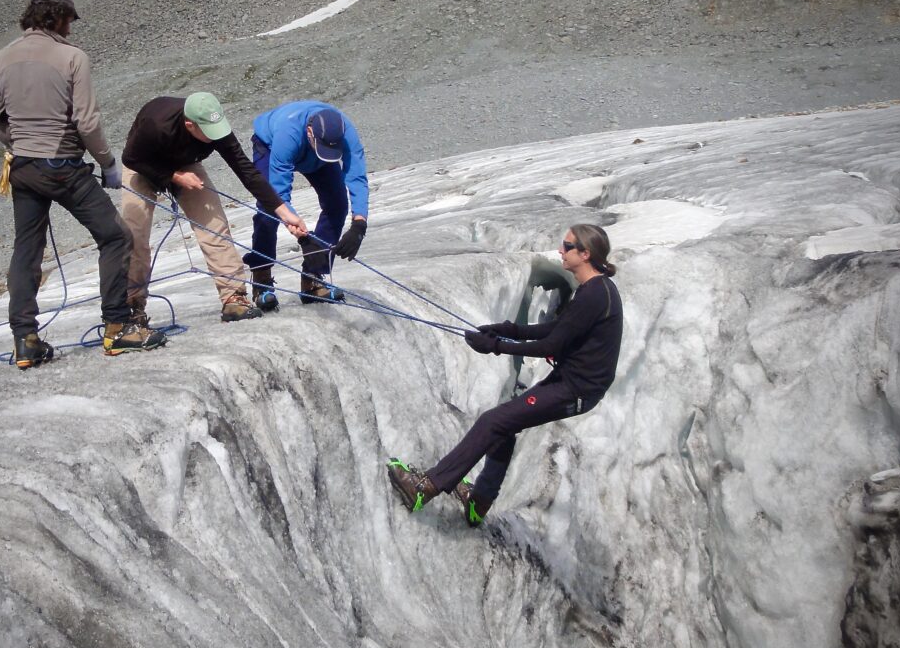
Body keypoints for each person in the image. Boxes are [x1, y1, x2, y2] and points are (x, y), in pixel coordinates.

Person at [387, 224, 623, 526]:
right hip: (572, 383)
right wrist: (508, 330)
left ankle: (425, 488)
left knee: (493, 421)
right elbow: (559, 330)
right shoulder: (595, 289)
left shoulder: (594, 295)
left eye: (566, 246)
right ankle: (479, 503)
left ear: (585, 253)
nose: (560, 251)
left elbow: (552, 344)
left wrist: (496, 346)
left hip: (575, 390)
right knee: (503, 426)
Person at [0, 0, 165, 369]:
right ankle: (118, 327)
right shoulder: (72, 58)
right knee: (115, 237)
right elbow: (86, 121)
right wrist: (108, 163)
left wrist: (21, 142)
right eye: (69, 20)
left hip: (23, 168)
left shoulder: (1, 58)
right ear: (59, 17)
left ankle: (25, 340)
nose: (71, 27)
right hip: (63, 166)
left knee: (27, 250)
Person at [120, 93, 307, 323]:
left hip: (186, 164)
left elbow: (246, 170)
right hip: (143, 164)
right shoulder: (156, 125)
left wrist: (285, 213)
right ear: (190, 125)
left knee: (215, 224)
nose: (215, 135)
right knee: (134, 235)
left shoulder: (217, 128)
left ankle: (233, 298)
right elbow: (130, 158)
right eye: (208, 131)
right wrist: (174, 176)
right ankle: (131, 306)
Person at [243, 100, 370, 307]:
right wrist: (301, 235)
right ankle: (261, 279)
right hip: (269, 144)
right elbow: (278, 193)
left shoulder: (346, 134)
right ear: (310, 132)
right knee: (268, 209)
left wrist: (359, 224)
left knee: (337, 204)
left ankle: (313, 277)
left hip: (314, 154)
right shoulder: (288, 135)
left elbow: (356, 176)